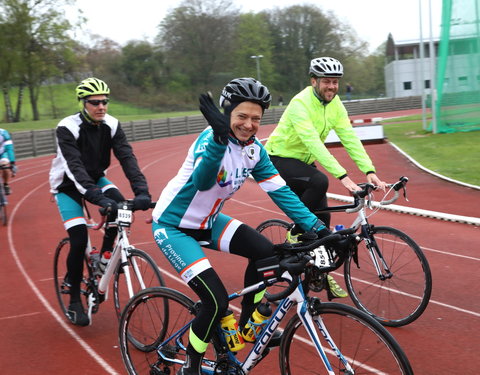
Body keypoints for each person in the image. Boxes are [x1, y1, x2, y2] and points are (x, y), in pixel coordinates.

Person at [152, 77, 332, 375]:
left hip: (208, 222)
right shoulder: (210, 141)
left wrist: (319, 228)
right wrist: (220, 141)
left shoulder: (254, 150)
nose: (249, 125)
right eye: (241, 116)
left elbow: (280, 191)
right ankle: (191, 366)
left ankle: (249, 325)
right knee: (215, 300)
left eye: (256, 119)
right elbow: (202, 182)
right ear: (226, 114)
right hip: (173, 226)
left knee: (266, 251)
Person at [265, 57, 386, 298]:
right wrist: (342, 176)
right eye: (326, 82)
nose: (331, 87)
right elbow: (312, 142)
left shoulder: (336, 104)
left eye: (335, 82)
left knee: (324, 223)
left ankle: (319, 271)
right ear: (314, 81)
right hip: (279, 158)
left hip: (304, 162)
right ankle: (296, 232)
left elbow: (349, 138)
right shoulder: (300, 103)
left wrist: (369, 170)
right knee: (320, 182)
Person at [49, 77, 152, 326]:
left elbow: (128, 158)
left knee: (121, 207)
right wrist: (99, 198)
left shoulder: (112, 125)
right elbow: (74, 169)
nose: (101, 107)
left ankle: (104, 258)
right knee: (78, 238)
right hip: (68, 186)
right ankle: (74, 296)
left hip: (95, 178)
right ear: (83, 103)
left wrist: (142, 193)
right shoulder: (67, 127)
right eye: (95, 102)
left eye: (105, 102)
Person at [0, 128, 17, 195]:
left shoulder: (3, 133)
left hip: (3, 153)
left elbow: (9, 149)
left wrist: (12, 162)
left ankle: (6, 184)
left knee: (4, 167)